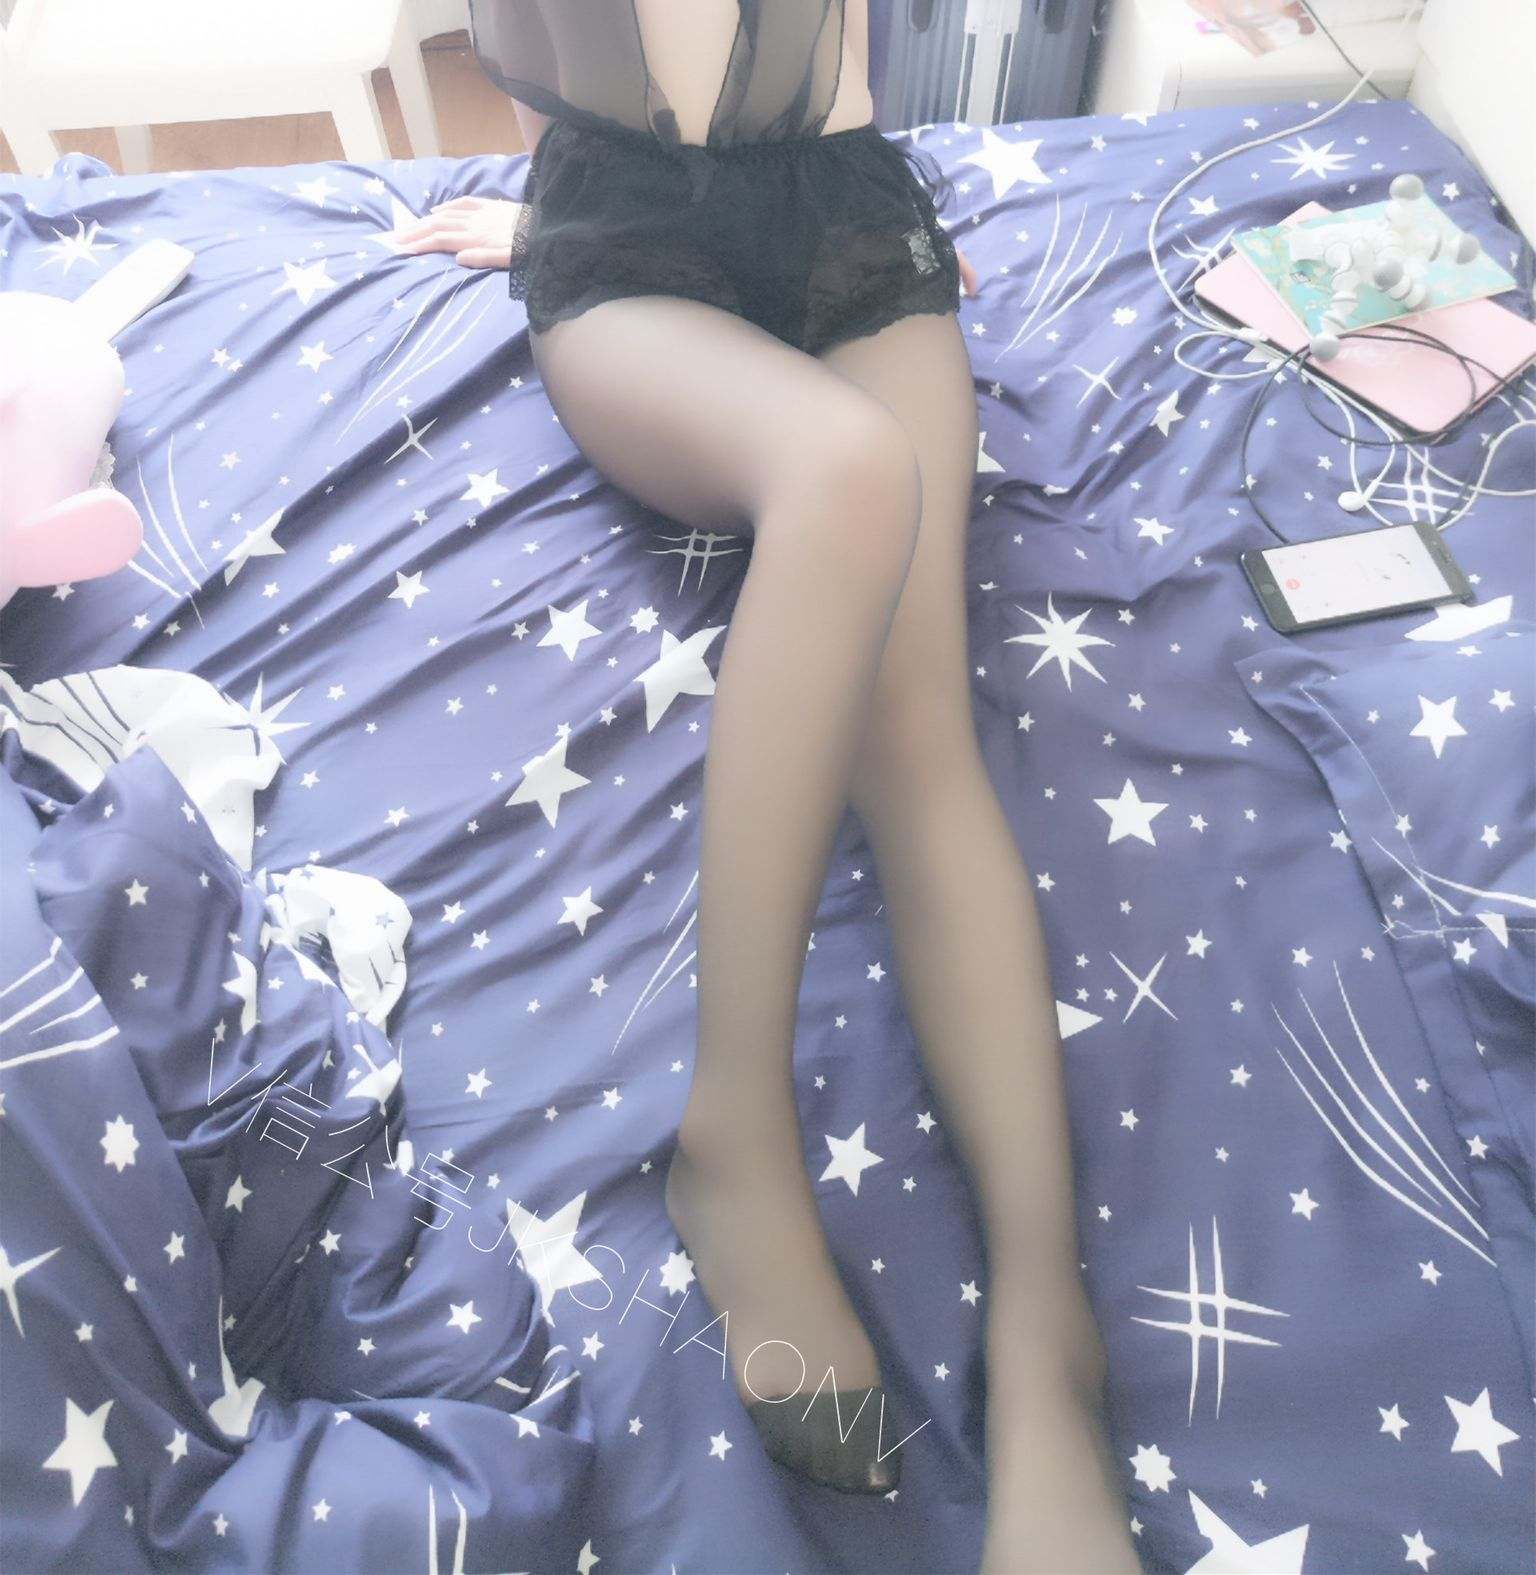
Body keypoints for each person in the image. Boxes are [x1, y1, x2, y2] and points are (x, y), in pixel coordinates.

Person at [394, 4, 1140, 1570]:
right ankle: (733, 1132)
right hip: (626, 245)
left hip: (848, 218)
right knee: (851, 468)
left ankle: (1045, 1337)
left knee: (919, 729)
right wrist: (537, 210)